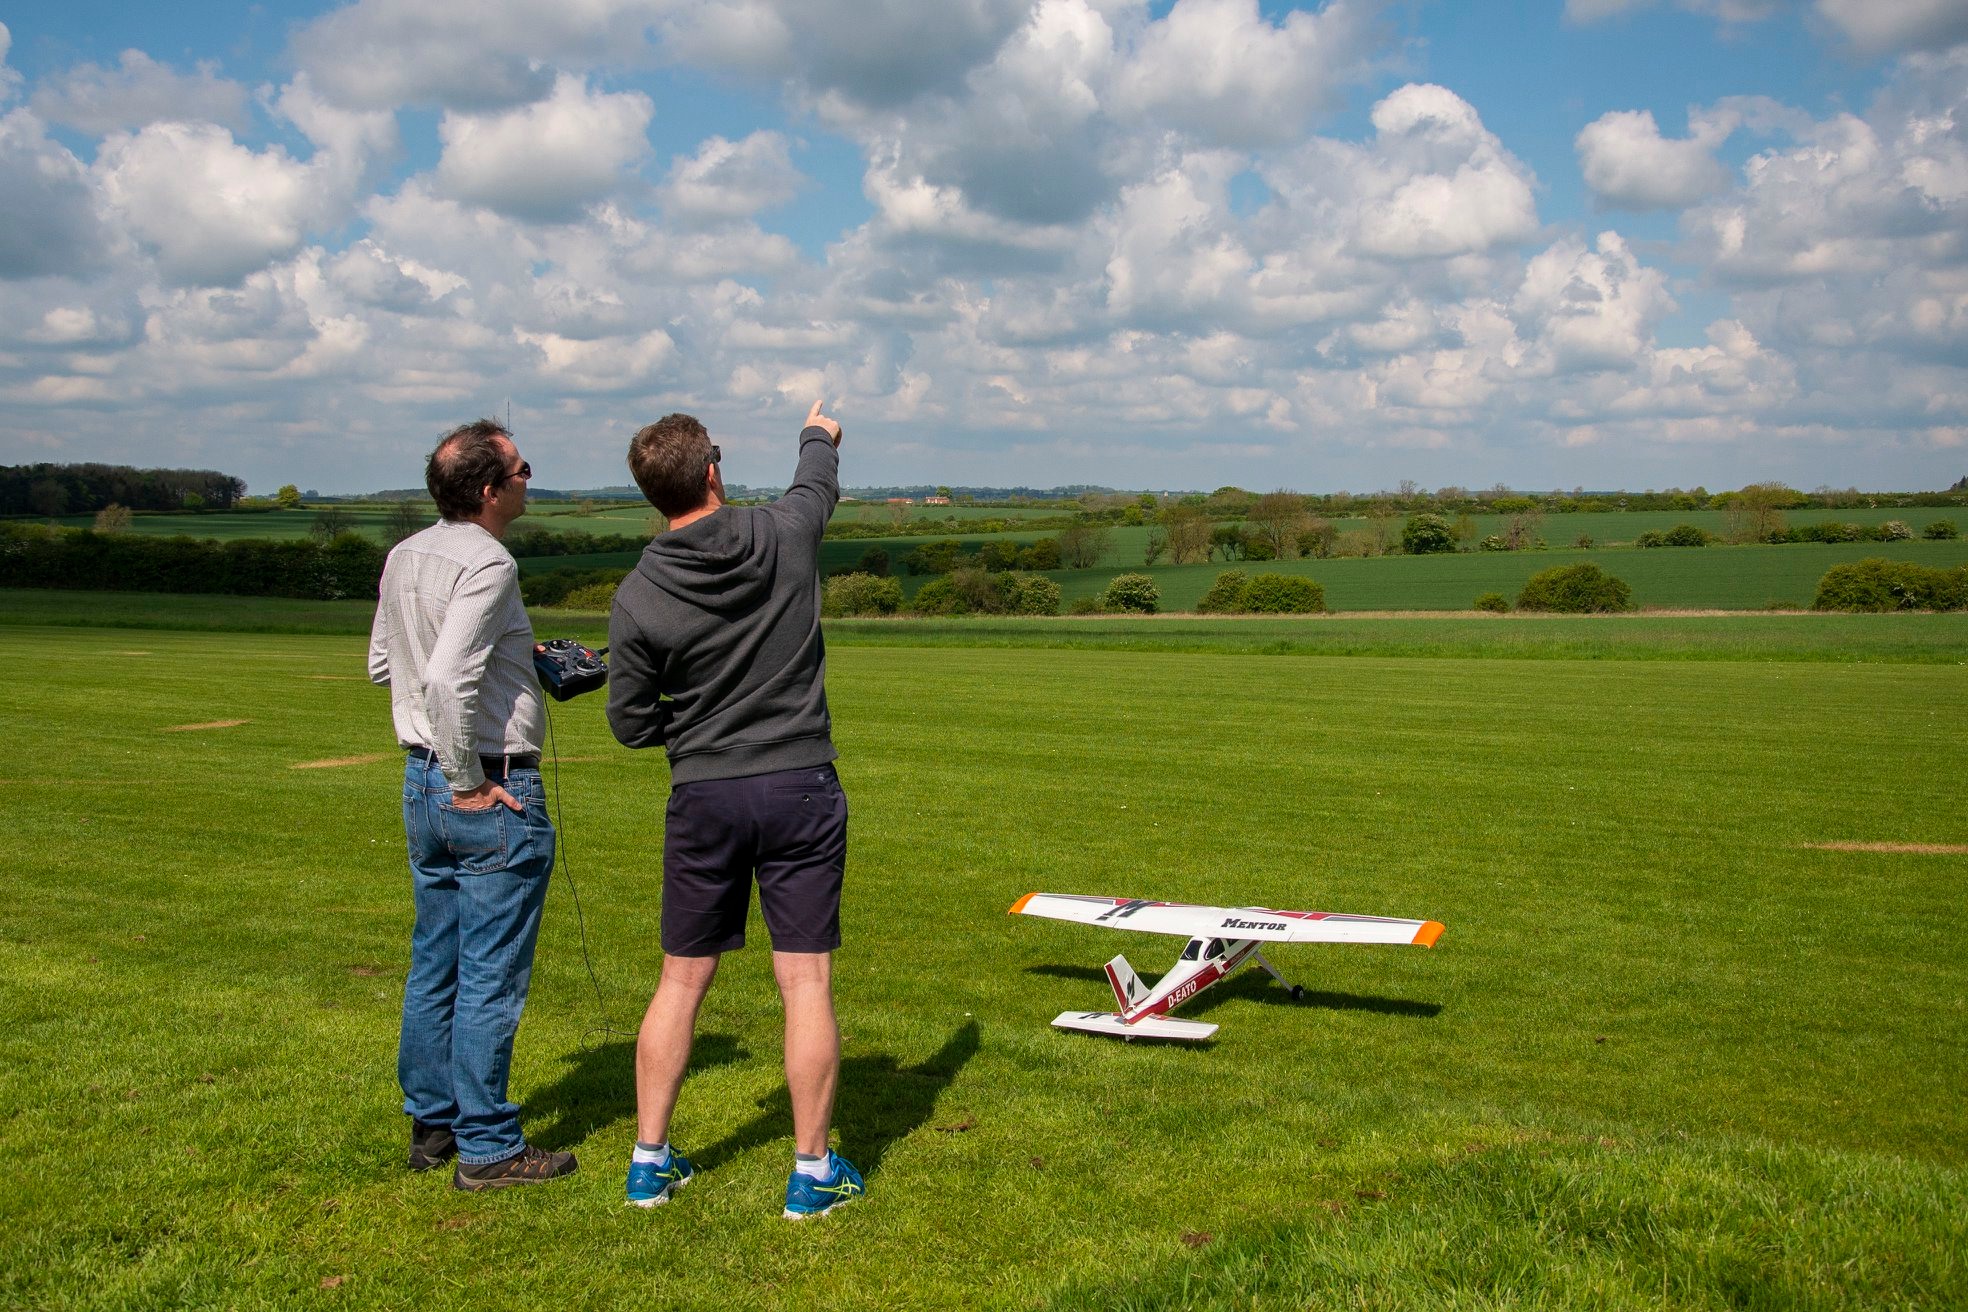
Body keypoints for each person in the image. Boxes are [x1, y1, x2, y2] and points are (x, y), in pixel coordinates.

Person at [607, 401, 862, 1219]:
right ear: (713, 468)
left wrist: (697, 722)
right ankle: (810, 1173)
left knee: (681, 979)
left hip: (704, 795)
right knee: (806, 980)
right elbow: (815, 482)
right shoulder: (783, 530)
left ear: (657, 493)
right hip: (800, 784)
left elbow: (631, 723)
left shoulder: (638, 593)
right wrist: (817, 433)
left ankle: (649, 1162)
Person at [367, 419, 577, 1192]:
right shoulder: (489, 560)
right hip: (481, 783)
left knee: (436, 959)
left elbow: (384, 661)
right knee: (491, 971)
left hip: (418, 778)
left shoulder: (406, 553)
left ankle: (434, 1123)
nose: (531, 477)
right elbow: (447, 676)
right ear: (489, 490)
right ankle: (489, 1146)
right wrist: (467, 778)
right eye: (522, 469)